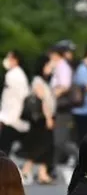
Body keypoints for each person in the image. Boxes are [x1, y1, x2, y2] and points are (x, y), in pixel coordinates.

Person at [20, 56, 56, 185]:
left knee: (47, 147)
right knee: (41, 146)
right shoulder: (38, 81)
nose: (51, 69)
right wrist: (48, 118)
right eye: (49, 67)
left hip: (45, 118)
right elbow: (43, 101)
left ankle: (42, 173)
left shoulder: (45, 81)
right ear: (42, 66)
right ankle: (26, 170)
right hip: (40, 119)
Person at [0, 50, 29, 156]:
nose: (7, 60)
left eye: (9, 58)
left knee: (4, 148)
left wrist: (6, 117)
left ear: (15, 60)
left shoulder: (13, 75)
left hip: (11, 117)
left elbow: (16, 98)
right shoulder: (18, 74)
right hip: (11, 116)